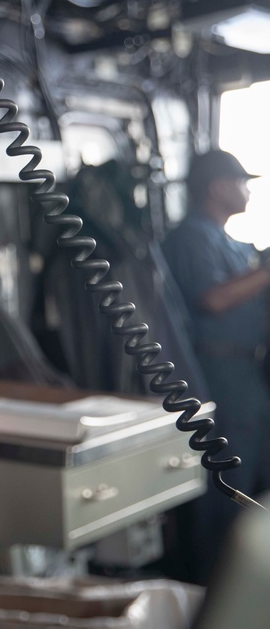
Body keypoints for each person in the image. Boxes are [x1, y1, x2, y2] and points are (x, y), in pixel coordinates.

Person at [161, 148, 270, 584]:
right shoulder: (191, 237)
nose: (247, 190)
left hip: (249, 376)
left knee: (254, 485)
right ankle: (215, 590)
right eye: (242, 182)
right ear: (217, 187)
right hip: (217, 376)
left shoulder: (231, 243)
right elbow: (214, 298)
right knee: (228, 488)